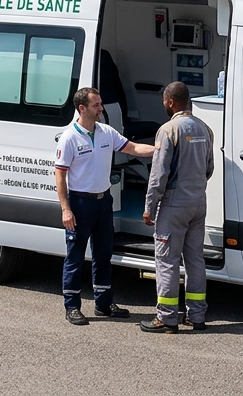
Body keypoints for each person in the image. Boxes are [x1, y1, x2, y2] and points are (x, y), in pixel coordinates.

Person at [55, 87, 155, 326]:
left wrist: (161, 149)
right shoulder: (70, 137)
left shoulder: (106, 132)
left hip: (103, 202)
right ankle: (72, 307)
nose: (101, 109)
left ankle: (103, 303)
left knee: (103, 254)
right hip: (80, 203)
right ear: (82, 109)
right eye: (97, 105)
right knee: (75, 256)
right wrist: (66, 209)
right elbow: (60, 175)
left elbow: (133, 148)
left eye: (100, 104)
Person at [140, 81, 216, 334]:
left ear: (171, 102)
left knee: (167, 261)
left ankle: (167, 318)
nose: (163, 104)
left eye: (164, 101)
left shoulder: (169, 129)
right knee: (195, 259)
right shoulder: (205, 129)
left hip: (174, 205)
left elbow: (159, 174)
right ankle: (197, 316)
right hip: (198, 203)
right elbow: (209, 169)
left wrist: (150, 206)